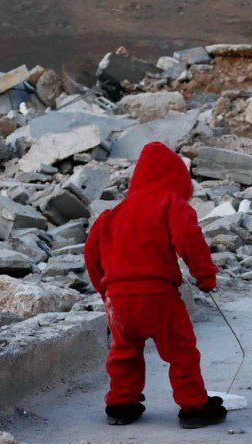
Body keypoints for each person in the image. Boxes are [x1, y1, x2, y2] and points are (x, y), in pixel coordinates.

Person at [83, 141, 225, 429]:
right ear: (177, 180)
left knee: (124, 353)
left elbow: (91, 251)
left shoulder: (112, 214)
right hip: (159, 296)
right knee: (181, 352)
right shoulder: (171, 203)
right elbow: (188, 235)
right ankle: (195, 407)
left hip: (119, 300)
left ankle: (121, 404)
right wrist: (204, 275)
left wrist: (104, 290)